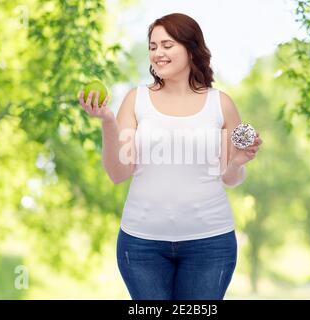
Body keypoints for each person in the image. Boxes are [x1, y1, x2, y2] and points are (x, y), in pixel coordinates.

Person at [78, 13, 262, 300]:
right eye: (152, 47)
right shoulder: (135, 99)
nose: (157, 53)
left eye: (167, 45)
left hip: (210, 244)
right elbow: (118, 173)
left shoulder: (220, 103)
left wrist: (237, 161)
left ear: (191, 49)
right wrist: (107, 121)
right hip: (141, 246)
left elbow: (230, 178)